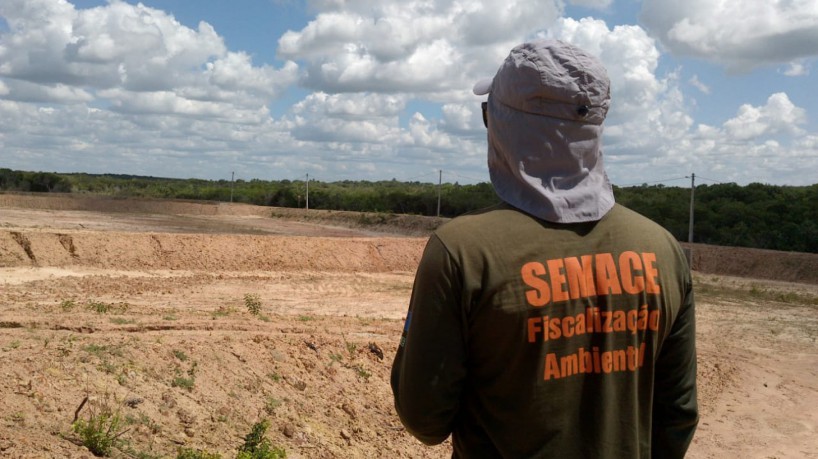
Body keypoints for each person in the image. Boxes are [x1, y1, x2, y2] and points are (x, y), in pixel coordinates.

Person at [390, 39, 698, 458]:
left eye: (488, 114)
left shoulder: (461, 251)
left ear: (504, 126)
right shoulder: (662, 249)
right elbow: (677, 416)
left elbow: (424, 418)